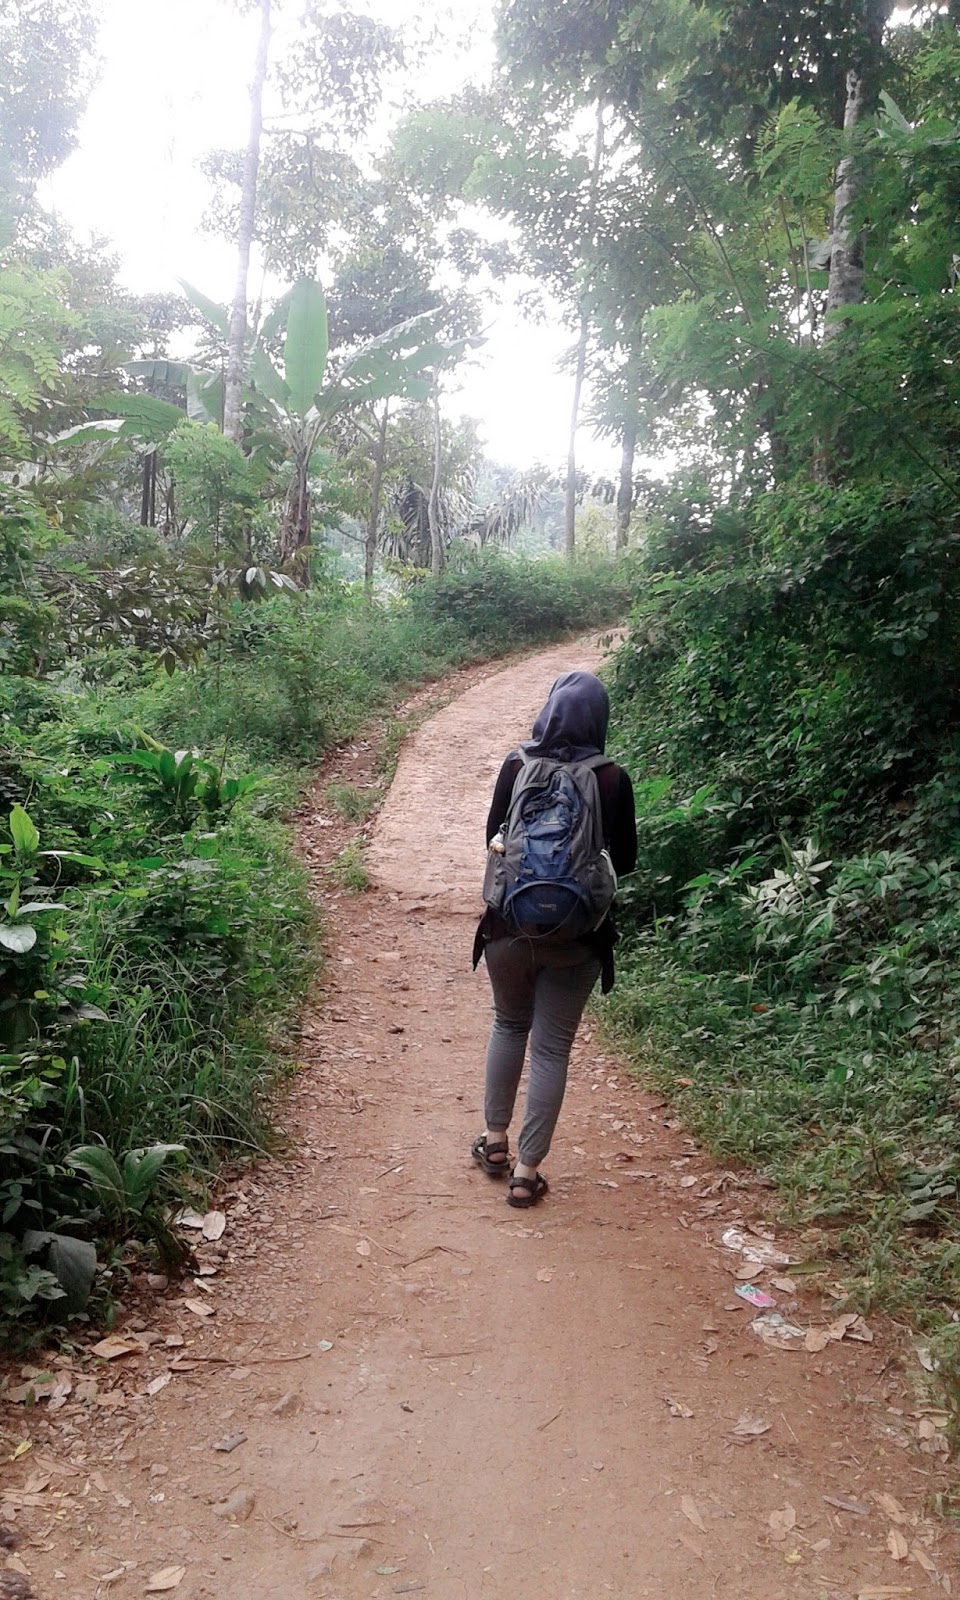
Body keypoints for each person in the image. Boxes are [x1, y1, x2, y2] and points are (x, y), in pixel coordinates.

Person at [470, 669, 637, 1207]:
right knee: (550, 1049)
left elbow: (493, 836)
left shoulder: (516, 765)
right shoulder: (611, 778)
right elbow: (626, 861)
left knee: (508, 1024)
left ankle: (495, 1141)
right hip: (578, 939)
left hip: (507, 928)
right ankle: (526, 1172)